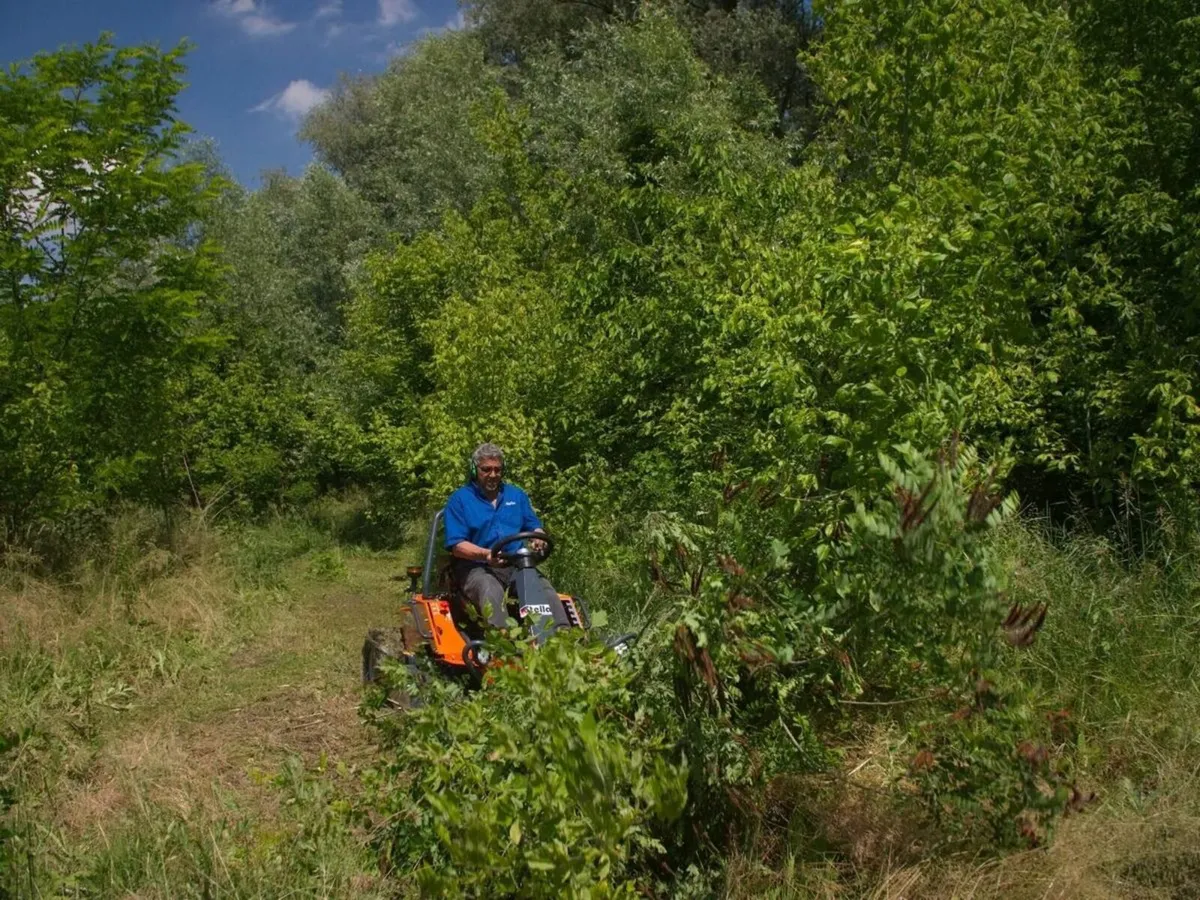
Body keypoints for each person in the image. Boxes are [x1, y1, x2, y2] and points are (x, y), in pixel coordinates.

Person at [443, 442, 566, 631]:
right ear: (475, 470)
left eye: (497, 470)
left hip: (515, 564)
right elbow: (457, 545)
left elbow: (534, 526)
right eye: (486, 470)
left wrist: (539, 537)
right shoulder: (460, 499)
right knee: (491, 589)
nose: (493, 475)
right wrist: (486, 555)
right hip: (476, 567)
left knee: (544, 590)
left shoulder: (516, 496)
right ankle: (503, 643)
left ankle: (562, 637)